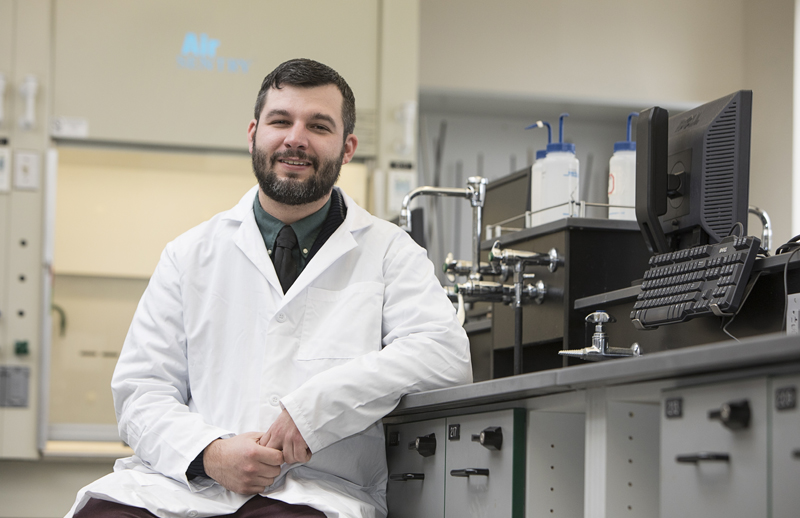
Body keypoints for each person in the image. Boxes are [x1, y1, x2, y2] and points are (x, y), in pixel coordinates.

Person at [65, 58, 472, 518]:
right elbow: (142, 390)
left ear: (348, 147)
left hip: (313, 490)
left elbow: (444, 354)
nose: (295, 138)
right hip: (181, 487)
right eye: (281, 121)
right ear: (254, 133)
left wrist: (314, 411)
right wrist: (209, 453)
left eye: (318, 126)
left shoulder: (389, 252)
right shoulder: (189, 254)